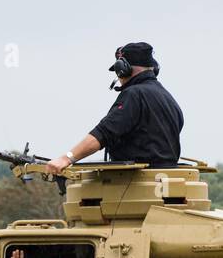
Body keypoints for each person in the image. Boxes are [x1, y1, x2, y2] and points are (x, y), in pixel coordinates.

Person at [45, 42, 183, 175]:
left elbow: (104, 132)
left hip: (134, 184)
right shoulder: (168, 98)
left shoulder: (133, 95)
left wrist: (67, 158)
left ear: (123, 68)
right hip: (167, 178)